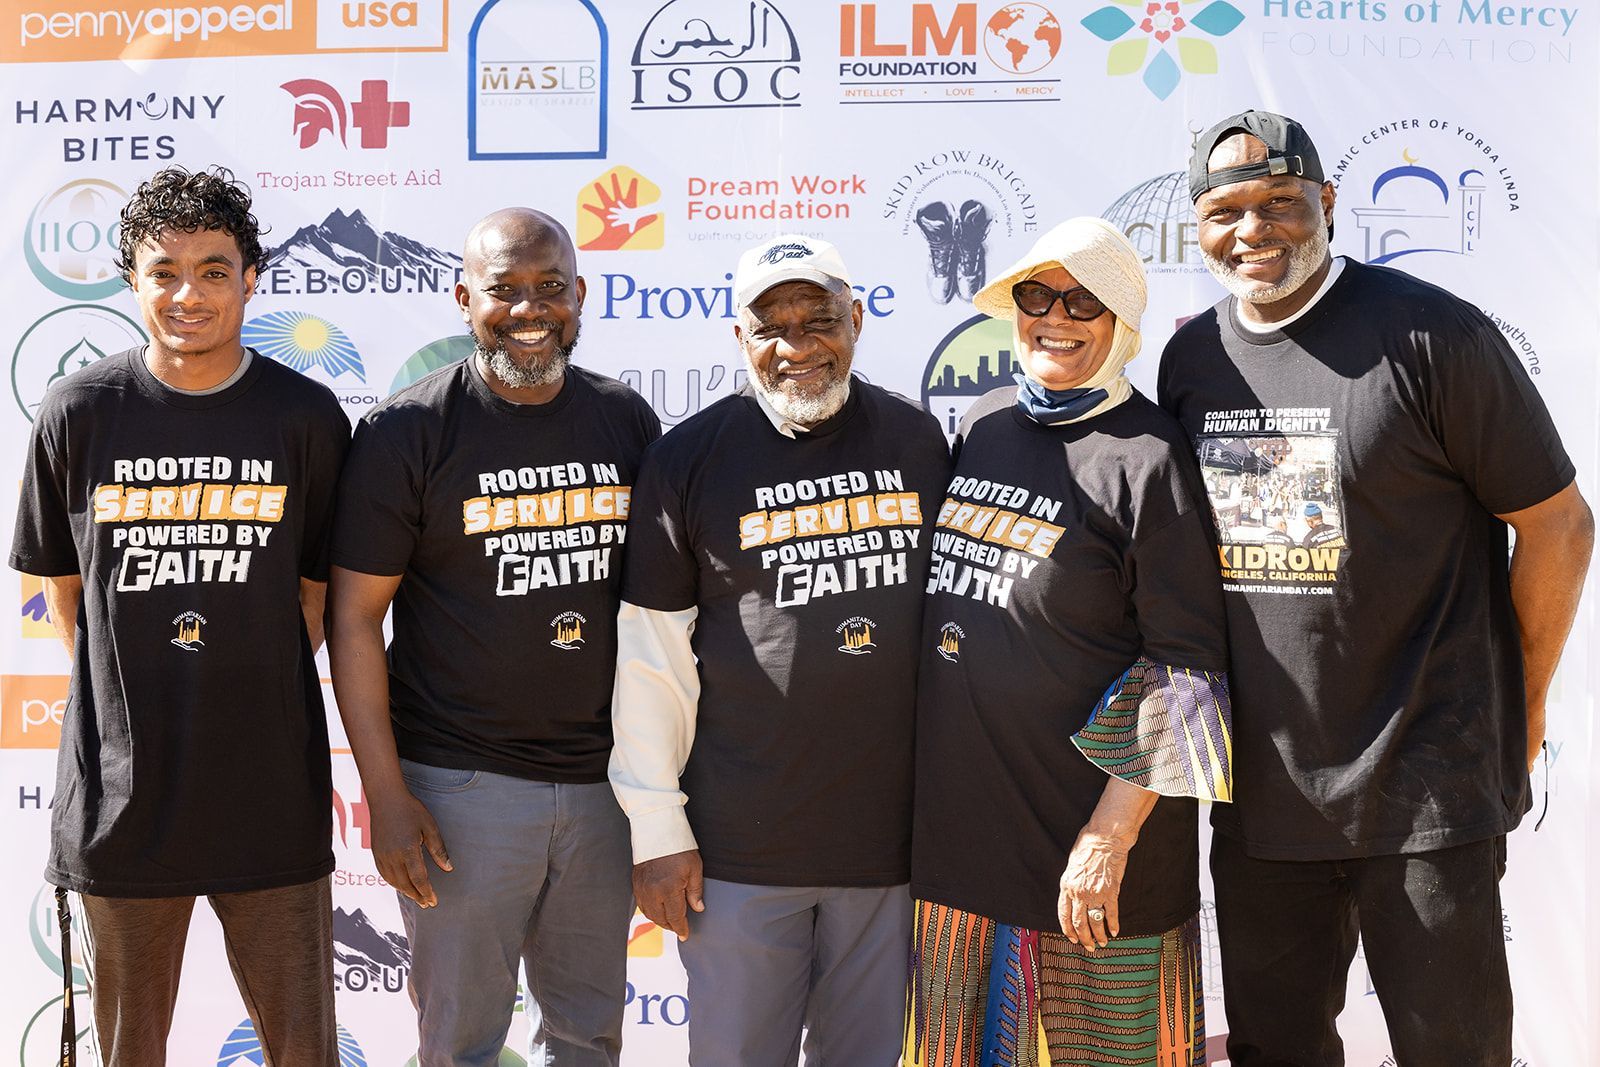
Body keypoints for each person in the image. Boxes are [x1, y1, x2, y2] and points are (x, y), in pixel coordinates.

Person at [1159, 109, 1595, 1066]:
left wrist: (1520, 704)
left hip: (1428, 784)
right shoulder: (1192, 361)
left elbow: (1560, 526)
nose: (1254, 228)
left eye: (1280, 202)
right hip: (1266, 798)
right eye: (1227, 208)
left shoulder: (1431, 333)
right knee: (1277, 1050)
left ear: (1326, 201)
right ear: (1198, 226)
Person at [9, 166, 349, 1065]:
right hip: (122, 801)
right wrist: (130, 691)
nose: (188, 293)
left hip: (270, 793)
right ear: (131, 280)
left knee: (303, 1049)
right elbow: (59, 586)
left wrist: (241, 666)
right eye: (165, 271)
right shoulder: (79, 408)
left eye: (213, 269)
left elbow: (316, 596)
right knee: (129, 1051)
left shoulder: (306, 417)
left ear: (251, 279)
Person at [608, 234, 951, 1065]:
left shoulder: (916, 441)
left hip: (892, 851)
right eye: (770, 327)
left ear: (858, 319)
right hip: (735, 855)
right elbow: (652, 657)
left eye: (818, 319)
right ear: (739, 340)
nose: (796, 347)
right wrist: (657, 829)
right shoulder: (686, 459)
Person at [327, 208, 659, 1066]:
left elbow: (662, 615)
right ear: (463, 298)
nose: (529, 307)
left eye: (549, 286)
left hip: (602, 788)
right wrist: (387, 796)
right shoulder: (407, 431)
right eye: (503, 289)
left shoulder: (626, 421)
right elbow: (355, 618)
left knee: (589, 1037)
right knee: (461, 1044)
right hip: (459, 792)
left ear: (580, 293)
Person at [906, 217, 1233, 1067]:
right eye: (1036, 295)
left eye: (1082, 300)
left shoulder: (1150, 456)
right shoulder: (982, 422)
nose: (1056, 315)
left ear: (1121, 323)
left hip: (1093, 867)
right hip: (963, 852)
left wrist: (1107, 838)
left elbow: (1187, 671)